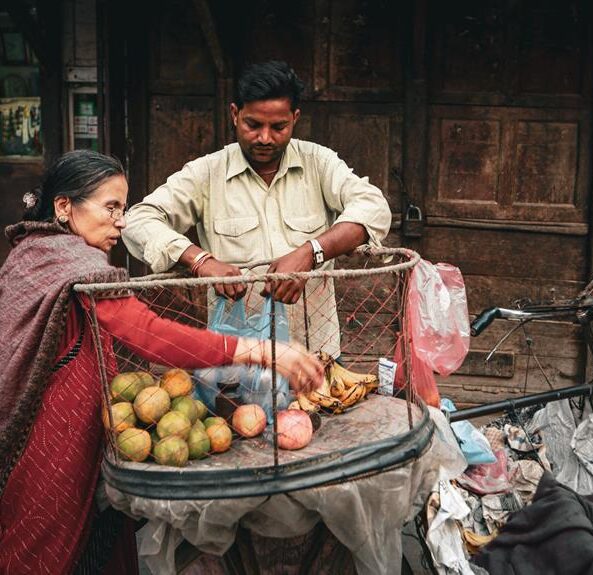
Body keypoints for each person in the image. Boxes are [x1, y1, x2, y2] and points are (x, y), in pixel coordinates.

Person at [0, 150, 322, 574]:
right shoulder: (71, 263)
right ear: (64, 207)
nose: (121, 221)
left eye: (124, 208)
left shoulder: (33, 251)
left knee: (96, 544)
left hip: (73, 428)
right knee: (47, 551)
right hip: (53, 440)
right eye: (110, 207)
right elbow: (147, 333)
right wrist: (260, 351)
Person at [122, 60, 392, 358]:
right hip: (239, 356)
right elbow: (138, 220)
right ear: (235, 114)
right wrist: (199, 260)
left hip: (315, 354)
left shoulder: (319, 163)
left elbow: (373, 207)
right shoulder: (206, 173)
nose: (265, 138)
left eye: (278, 127)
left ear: (295, 118)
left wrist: (311, 252)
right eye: (254, 125)